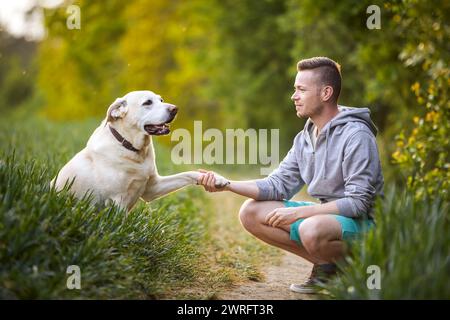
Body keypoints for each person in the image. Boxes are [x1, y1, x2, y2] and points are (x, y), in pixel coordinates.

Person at [197, 56, 384, 294]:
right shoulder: (305, 138)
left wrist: (302, 212)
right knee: (251, 212)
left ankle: (359, 266)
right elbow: (277, 185)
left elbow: (359, 203)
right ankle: (329, 267)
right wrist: (226, 184)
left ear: (326, 93)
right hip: (329, 219)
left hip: (367, 226)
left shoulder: (356, 135)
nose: (294, 96)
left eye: (301, 90)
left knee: (311, 228)